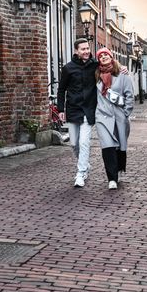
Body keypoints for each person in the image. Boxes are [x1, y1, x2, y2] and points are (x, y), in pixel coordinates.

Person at [57, 39, 97, 188]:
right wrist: (61, 109)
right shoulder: (68, 68)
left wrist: (123, 68)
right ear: (76, 51)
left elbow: (110, 67)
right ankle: (85, 163)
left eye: (87, 48)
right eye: (82, 49)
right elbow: (61, 90)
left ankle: (80, 173)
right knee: (74, 143)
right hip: (73, 110)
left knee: (84, 142)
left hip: (88, 110)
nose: (86, 51)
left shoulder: (95, 65)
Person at [94, 47, 134, 190]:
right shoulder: (95, 74)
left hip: (119, 116)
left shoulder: (122, 75)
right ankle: (111, 178)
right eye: (100, 56)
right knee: (107, 145)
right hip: (102, 116)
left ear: (111, 57)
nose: (103, 57)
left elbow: (130, 96)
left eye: (106, 55)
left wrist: (125, 113)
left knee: (120, 146)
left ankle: (118, 170)